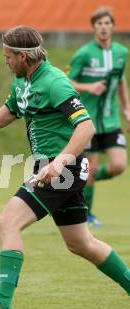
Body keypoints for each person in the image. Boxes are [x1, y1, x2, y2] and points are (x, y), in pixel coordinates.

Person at [0, 25, 130, 309]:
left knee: (8, 221)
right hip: (51, 168)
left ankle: (3, 304)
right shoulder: (23, 81)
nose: (5, 61)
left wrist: (59, 163)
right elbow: (13, 108)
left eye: (8, 56)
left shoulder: (54, 82)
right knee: (81, 243)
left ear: (25, 56)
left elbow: (86, 127)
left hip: (61, 169)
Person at [67, 6, 130, 228]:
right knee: (90, 168)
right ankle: (88, 215)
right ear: (94, 27)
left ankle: (82, 182)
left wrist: (127, 108)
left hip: (110, 120)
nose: (103, 28)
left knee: (119, 166)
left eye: (107, 23)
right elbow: (68, 83)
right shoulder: (84, 54)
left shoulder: (122, 53)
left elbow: (120, 81)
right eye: (99, 24)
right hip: (88, 122)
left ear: (113, 26)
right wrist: (89, 86)